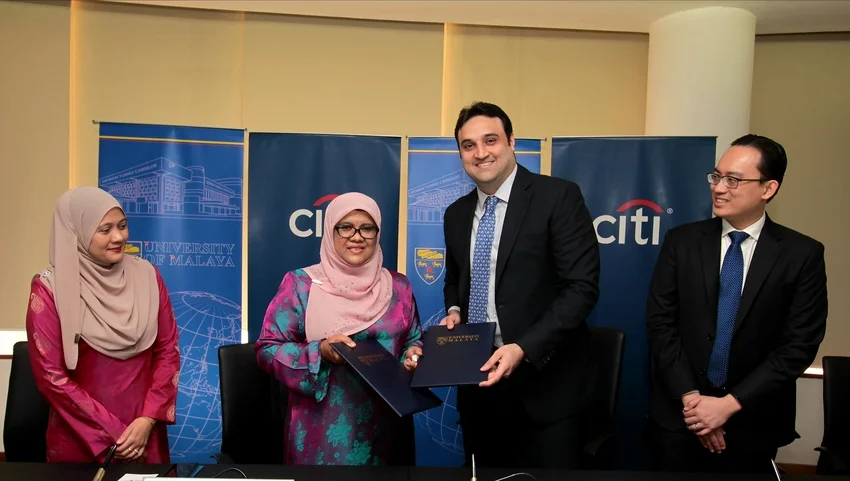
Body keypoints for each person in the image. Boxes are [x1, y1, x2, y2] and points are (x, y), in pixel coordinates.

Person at [645, 134, 828, 473]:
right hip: (680, 417)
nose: (718, 188)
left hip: (753, 423)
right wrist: (694, 402)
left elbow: (799, 345)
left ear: (768, 188)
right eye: (716, 176)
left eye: (733, 180)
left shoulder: (801, 254)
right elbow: (660, 323)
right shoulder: (682, 242)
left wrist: (729, 405)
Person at [440, 101, 601, 469]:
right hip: (479, 386)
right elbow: (455, 278)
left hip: (546, 386)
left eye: (490, 140)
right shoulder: (456, 214)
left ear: (511, 141)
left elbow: (581, 288)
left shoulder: (557, 197)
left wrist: (522, 348)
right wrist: (453, 310)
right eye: (468, 145)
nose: (480, 153)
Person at [254, 192, 424, 466]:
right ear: (329, 231)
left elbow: (413, 338)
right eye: (345, 227)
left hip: (390, 427)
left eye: (367, 228)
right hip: (323, 432)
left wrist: (413, 355)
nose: (357, 236)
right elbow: (267, 349)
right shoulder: (301, 285)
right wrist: (319, 352)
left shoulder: (399, 286)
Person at [25, 186, 180, 464]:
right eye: (104, 229)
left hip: (144, 434)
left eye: (122, 226)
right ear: (78, 233)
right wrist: (114, 432)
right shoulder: (49, 290)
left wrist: (146, 421)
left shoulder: (148, 276)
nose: (119, 237)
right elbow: (51, 378)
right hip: (81, 440)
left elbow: (168, 351)